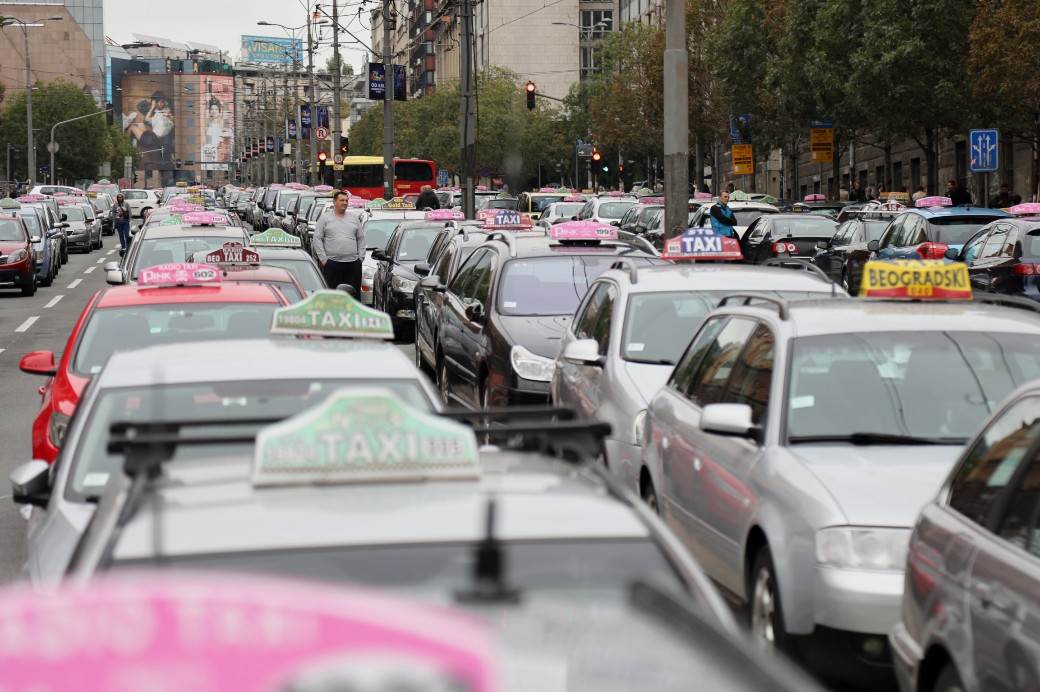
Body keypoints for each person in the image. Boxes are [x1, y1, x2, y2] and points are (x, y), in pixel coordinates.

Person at [313, 190, 365, 295]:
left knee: (353, 296)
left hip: (353, 264)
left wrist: (360, 258)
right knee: (332, 295)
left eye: (346, 200)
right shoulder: (325, 218)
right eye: (342, 200)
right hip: (332, 264)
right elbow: (317, 238)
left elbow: (360, 238)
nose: (345, 203)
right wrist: (324, 260)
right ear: (334, 202)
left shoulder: (354, 218)